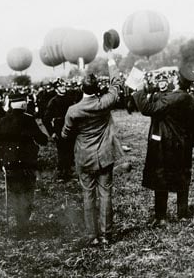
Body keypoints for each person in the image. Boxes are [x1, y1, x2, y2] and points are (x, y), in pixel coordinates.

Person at [61, 53, 122, 246]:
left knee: (88, 196)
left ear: (82, 89)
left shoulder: (73, 110)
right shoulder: (105, 102)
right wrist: (111, 61)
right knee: (106, 195)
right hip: (104, 155)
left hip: (84, 157)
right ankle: (106, 235)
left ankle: (92, 236)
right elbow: (116, 84)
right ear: (97, 89)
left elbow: (65, 134)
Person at [132, 66, 194, 226]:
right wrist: (192, 143)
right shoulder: (192, 100)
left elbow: (148, 109)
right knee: (182, 177)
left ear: (177, 81)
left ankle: (161, 216)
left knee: (161, 177)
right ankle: (182, 214)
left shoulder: (170, 99)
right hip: (184, 145)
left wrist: (139, 90)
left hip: (166, 144)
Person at [0, 92, 48, 236]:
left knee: (15, 193)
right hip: (26, 163)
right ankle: (23, 224)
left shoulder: (3, 120)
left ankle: (19, 222)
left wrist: (2, 161)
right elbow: (42, 140)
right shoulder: (28, 120)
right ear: (24, 104)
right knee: (27, 193)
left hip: (10, 163)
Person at [43, 78, 77, 181]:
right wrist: (52, 132)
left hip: (71, 128)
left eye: (64, 86)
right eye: (60, 86)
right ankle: (62, 174)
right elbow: (46, 119)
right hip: (59, 129)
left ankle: (70, 172)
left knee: (71, 150)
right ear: (56, 89)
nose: (63, 88)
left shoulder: (70, 99)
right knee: (62, 151)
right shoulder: (53, 102)